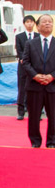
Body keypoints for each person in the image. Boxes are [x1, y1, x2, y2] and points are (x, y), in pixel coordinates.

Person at [23, 14, 55, 148]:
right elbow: (25, 62)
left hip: (52, 86)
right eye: (44, 22)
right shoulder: (30, 43)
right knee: (34, 116)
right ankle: (35, 141)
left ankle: (52, 142)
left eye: (50, 22)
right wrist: (35, 76)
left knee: (53, 117)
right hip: (34, 86)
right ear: (38, 25)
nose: (47, 24)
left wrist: (52, 76)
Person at [16, 15, 38, 120]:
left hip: (35, 68)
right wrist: (23, 59)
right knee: (22, 89)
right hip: (23, 67)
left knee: (35, 90)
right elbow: (19, 50)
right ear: (24, 24)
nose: (29, 24)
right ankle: (21, 112)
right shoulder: (19, 36)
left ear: (34, 23)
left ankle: (34, 112)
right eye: (27, 22)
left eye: (31, 22)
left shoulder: (38, 36)